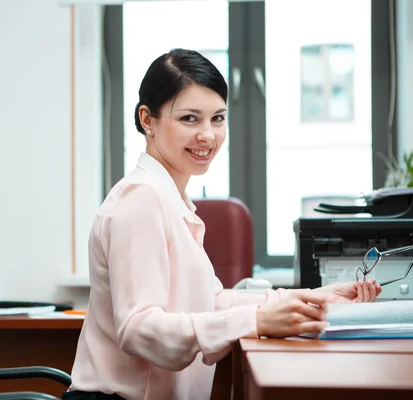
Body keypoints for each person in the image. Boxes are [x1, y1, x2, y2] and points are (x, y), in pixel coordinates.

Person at [63, 48, 381, 400]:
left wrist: (312, 299)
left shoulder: (171, 199)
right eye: (189, 119)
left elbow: (211, 302)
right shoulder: (141, 199)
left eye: (217, 118)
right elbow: (139, 329)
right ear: (147, 120)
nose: (208, 136)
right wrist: (256, 322)